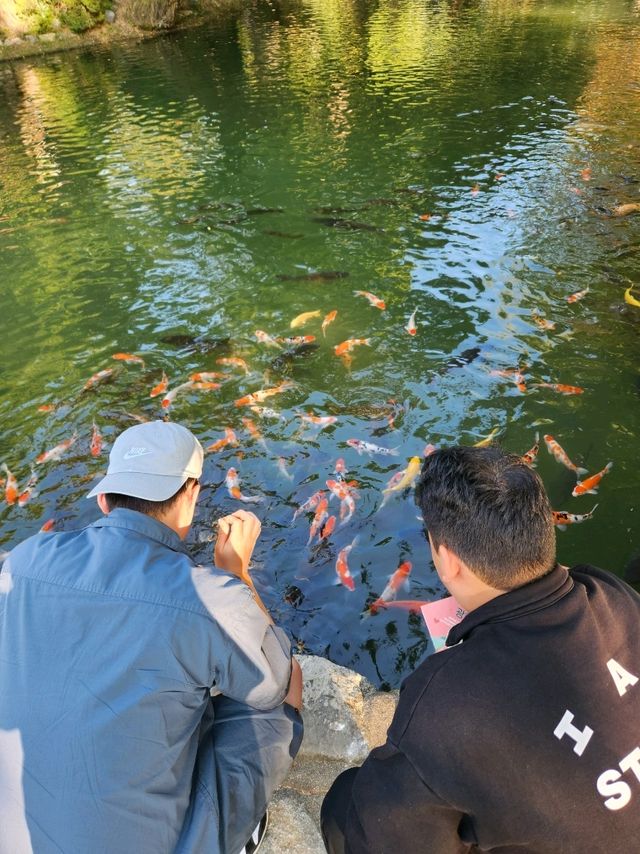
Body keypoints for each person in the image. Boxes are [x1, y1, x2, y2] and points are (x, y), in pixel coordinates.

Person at [0, 421, 303, 854]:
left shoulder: (23, 560)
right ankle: (234, 834)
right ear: (192, 497)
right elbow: (279, 679)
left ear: (104, 500)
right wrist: (235, 575)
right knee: (276, 706)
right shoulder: (209, 597)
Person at [321, 445, 640, 853]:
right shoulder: (613, 596)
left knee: (343, 806)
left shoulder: (442, 703)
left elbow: (387, 835)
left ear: (448, 560)